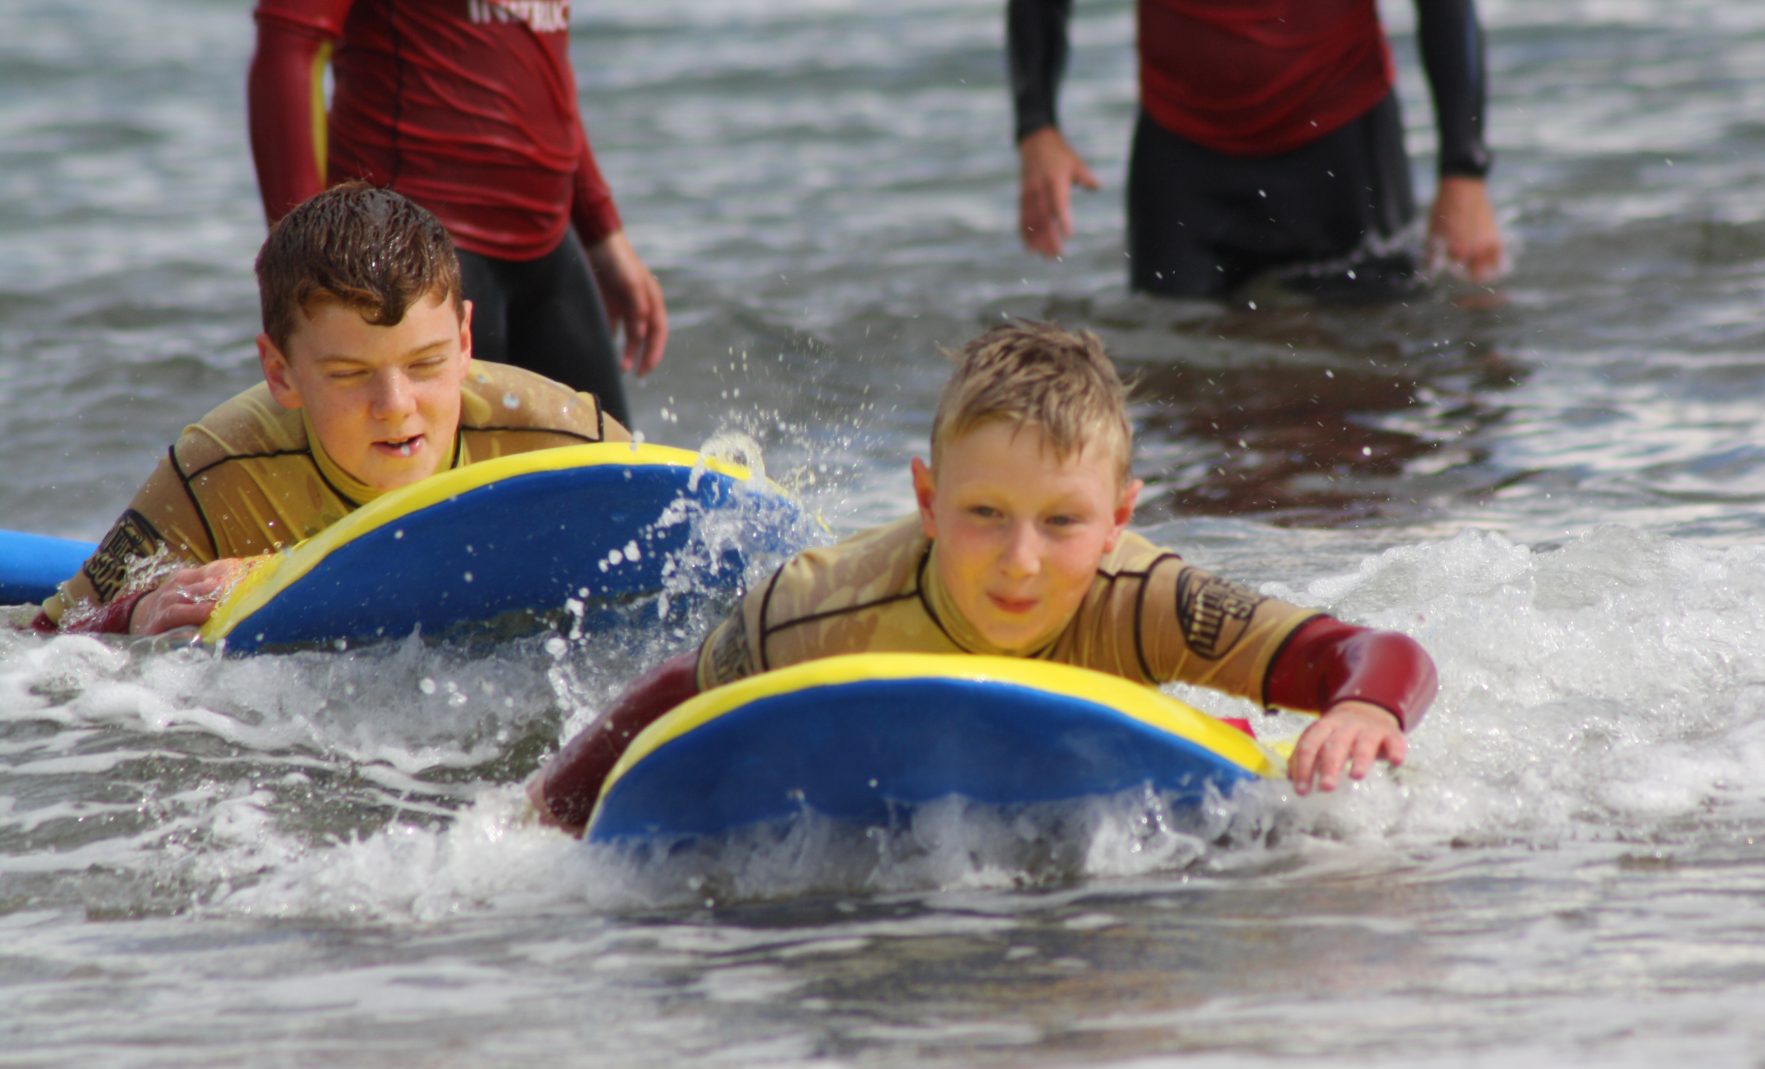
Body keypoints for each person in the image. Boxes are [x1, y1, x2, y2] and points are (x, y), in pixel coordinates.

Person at [529, 321, 1437, 834]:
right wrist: (544, 819)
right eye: (985, 515)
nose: (1022, 560)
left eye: (1064, 522)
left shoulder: (1145, 596)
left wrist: (1363, 709)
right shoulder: (821, 608)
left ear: (1119, 518)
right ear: (928, 500)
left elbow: (1369, 653)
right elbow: (678, 696)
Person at [34, 182, 633, 639]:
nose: (396, 408)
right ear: (280, 373)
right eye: (349, 375)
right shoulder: (223, 470)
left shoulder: (562, 440)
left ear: (467, 342)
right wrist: (137, 611)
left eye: (426, 363)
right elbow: (46, 638)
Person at [245, 0, 667, 427]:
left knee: (614, 470)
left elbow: (538, 67)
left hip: (550, 245)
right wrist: (299, 259)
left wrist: (603, 233)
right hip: (411, 250)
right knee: (436, 483)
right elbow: (290, 43)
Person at [1010, 0, 1504, 299]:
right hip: (1183, 161)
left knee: (1366, 400)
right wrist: (1037, 127)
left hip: (1341, 151)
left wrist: (1464, 172)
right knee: (1177, 392)